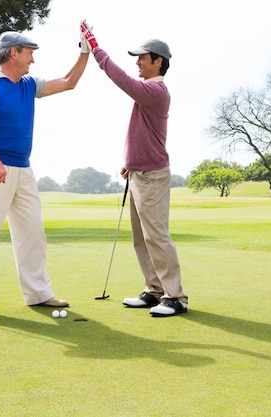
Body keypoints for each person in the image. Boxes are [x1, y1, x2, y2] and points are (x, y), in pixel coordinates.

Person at [0, 26, 90, 317]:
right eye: (29, 54)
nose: (33, 60)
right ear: (13, 53)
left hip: (24, 170)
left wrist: (84, 51)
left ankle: (38, 293)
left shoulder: (29, 85)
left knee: (32, 233)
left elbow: (68, 82)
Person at [81, 21, 188, 317]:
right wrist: (130, 162)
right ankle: (154, 290)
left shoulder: (157, 91)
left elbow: (123, 81)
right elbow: (139, 133)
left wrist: (96, 48)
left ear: (158, 62)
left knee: (157, 235)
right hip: (139, 173)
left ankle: (175, 296)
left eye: (143, 57)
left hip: (153, 176)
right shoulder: (147, 92)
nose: (138, 62)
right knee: (141, 238)